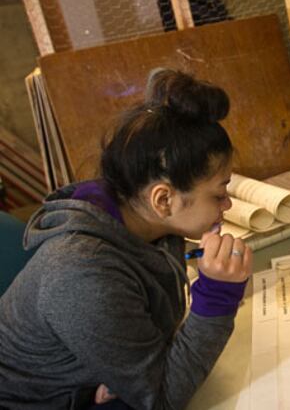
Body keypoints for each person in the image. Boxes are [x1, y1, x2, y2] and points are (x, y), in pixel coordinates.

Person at [0, 69, 252, 408]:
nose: (228, 204)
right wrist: (218, 295)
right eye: (219, 194)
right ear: (163, 199)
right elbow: (162, 399)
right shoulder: (81, 274)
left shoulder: (147, 225)